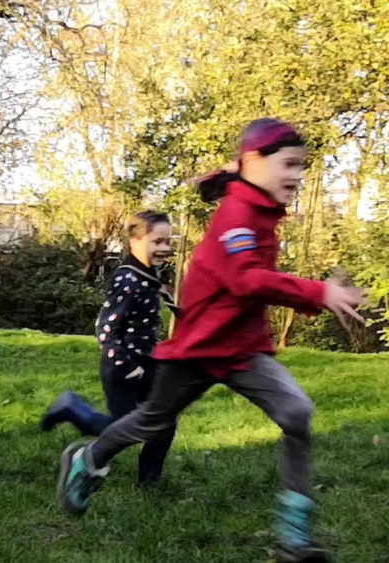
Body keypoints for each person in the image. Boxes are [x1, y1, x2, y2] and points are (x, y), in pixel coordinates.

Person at [56, 119, 365, 563]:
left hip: (242, 350)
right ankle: (87, 460)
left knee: (297, 412)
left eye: (302, 166)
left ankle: (294, 535)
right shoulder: (236, 216)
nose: (298, 175)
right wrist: (319, 291)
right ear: (256, 162)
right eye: (290, 164)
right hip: (199, 348)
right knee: (151, 421)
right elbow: (245, 279)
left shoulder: (259, 210)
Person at [40, 210, 178, 486]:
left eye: (168, 242)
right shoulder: (128, 280)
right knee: (126, 429)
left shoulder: (147, 276)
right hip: (123, 367)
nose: (165, 248)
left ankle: (150, 483)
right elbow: (105, 328)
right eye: (157, 241)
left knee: (165, 422)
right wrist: (126, 366)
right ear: (135, 240)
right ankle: (72, 408)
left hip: (148, 362)